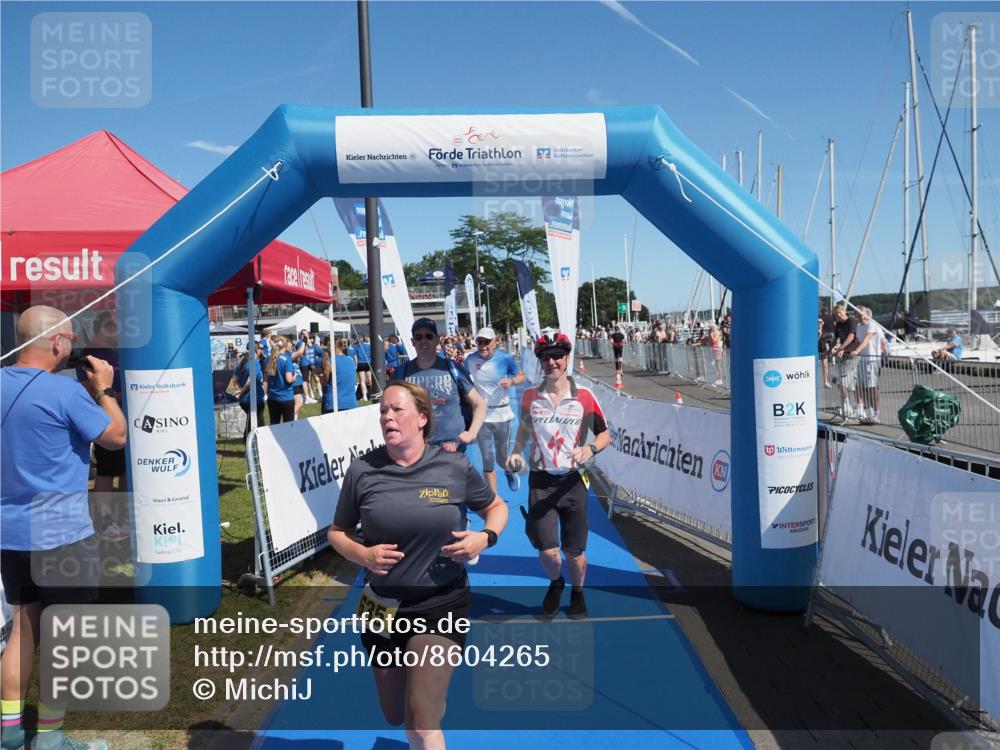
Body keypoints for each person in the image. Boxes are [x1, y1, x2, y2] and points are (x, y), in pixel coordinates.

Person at [328, 381, 508, 750]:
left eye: (397, 409)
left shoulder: (452, 466)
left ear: (422, 418)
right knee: (396, 714)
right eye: (383, 411)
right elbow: (337, 532)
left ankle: (428, 698)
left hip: (440, 603)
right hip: (380, 606)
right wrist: (363, 555)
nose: (387, 417)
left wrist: (484, 538)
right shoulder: (363, 471)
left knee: (422, 716)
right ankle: (425, 700)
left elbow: (496, 507)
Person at [1, 306, 126, 750]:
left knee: (23, 627)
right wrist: (105, 390)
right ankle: (51, 739)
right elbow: (116, 436)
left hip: (11, 533)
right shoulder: (63, 392)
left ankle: (10, 731)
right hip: (63, 536)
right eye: (71, 338)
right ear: (57, 343)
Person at [506, 333, 610, 620]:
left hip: (573, 482)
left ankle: (577, 592)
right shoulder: (530, 396)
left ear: (567, 359)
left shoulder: (584, 397)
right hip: (540, 482)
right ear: (540, 362)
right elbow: (525, 430)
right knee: (548, 552)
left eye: (557, 356)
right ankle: (556, 582)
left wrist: (590, 448)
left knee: (574, 553)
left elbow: (605, 434)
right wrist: (516, 452)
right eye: (546, 357)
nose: (551, 362)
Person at [394, 319, 486, 454]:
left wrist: (471, 433)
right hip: (417, 451)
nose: (423, 341)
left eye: (429, 336)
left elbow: (480, 404)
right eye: (419, 337)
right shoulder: (401, 373)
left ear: (437, 340)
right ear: (413, 342)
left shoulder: (453, 369)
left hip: (453, 450)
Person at [75, 311, 128, 542]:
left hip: (121, 417)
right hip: (105, 419)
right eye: (118, 329)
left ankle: (124, 517)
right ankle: (104, 521)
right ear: (107, 328)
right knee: (107, 471)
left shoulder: (110, 352)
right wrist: (111, 396)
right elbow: (90, 388)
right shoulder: (92, 354)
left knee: (125, 469)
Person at [464, 327, 526, 494]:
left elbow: (522, 376)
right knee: (487, 458)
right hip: (482, 415)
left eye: (486, 342)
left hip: (502, 414)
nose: (482, 346)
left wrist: (512, 381)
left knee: (500, 455)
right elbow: (462, 381)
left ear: (495, 342)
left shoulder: (505, 358)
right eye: (479, 342)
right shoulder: (470, 360)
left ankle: (508, 471)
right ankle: (494, 500)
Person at [851, 307, 886, 425]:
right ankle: (870, 411)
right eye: (858, 315)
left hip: (872, 359)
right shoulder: (859, 326)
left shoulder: (872, 324)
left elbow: (867, 338)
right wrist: (842, 350)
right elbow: (857, 341)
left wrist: (857, 350)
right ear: (856, 316)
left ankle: (876, 413)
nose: (861, 317)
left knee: (872, 387)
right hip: (863, 360)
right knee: (863, 386)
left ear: (867, 314)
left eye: (863, 315)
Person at [830, 303, 859, 423]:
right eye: (836, 314)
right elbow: (836, 338)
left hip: (851, 353)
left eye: (840, 313)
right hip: (843, 355)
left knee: (842, 380)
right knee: (844, 382)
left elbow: (851, 337)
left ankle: (848, 406)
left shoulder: (850, 321)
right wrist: (830, 349)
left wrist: (841, 348)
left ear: (844, 312)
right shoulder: (838, 324)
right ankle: (848, 405)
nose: (839, 316)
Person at [232, 342, 267, 439]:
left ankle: (257, 445)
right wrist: (242, 391)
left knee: (257, 424)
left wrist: (239, 390)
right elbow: (250, 380)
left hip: (245, 400)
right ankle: (250, 445)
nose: (261, 350)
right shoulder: (255, 363)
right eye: (260, 348)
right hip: (254, 399)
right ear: (256, 350)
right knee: (254, 425)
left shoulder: (242, 362)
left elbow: (234, 380)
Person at [320, 339, 359, 413]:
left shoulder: (330, 362)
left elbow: (324, 382)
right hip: (351, 403)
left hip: (334, 404)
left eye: (328, 346)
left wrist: (321, 375)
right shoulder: (351, 361)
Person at [265, 336, 296, 424]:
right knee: (289, 426)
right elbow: (289, 379)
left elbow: (266, 378)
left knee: (274, 425)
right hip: (285, 398)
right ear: (285, 345)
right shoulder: (286, 359)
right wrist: (294, 378)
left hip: (272, 398)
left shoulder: (269, 359)